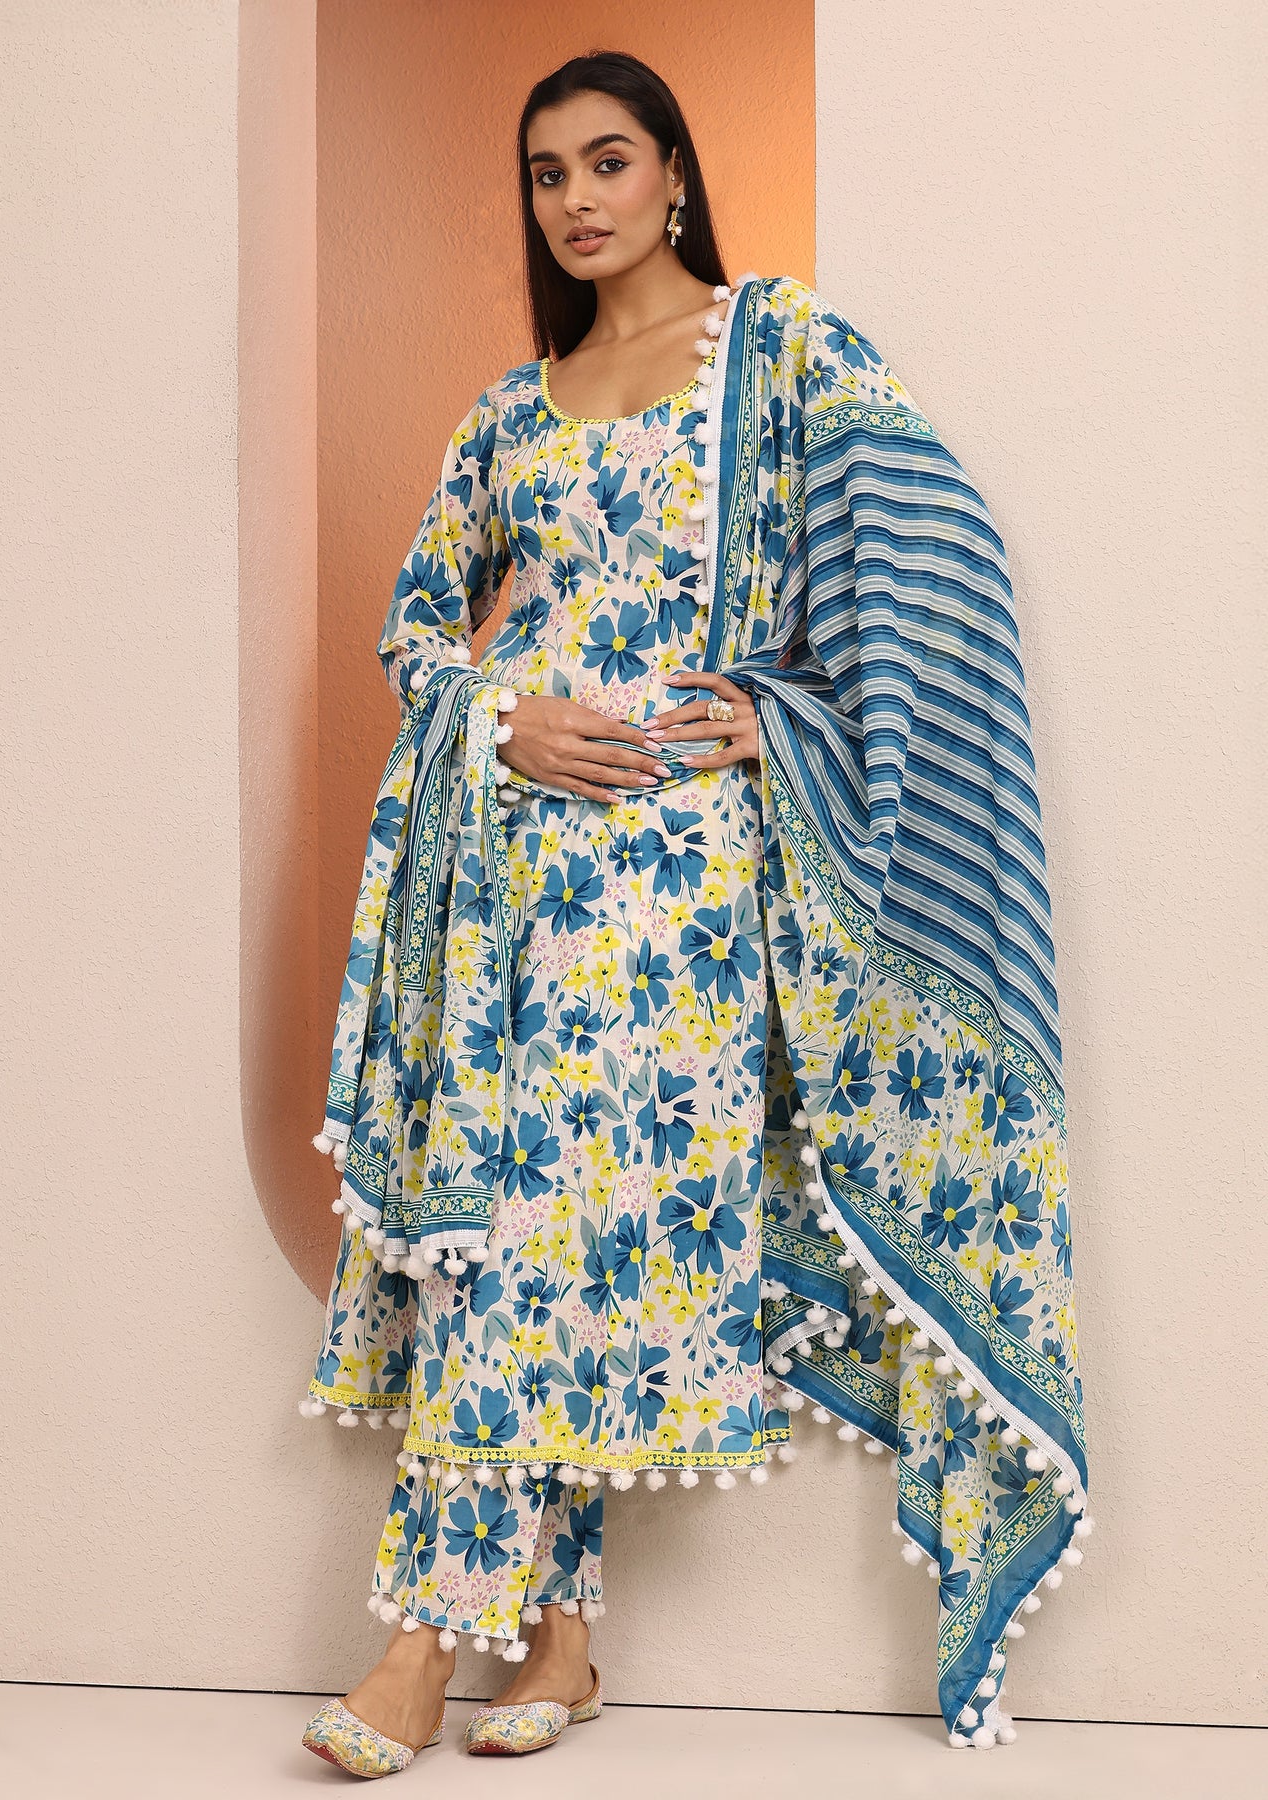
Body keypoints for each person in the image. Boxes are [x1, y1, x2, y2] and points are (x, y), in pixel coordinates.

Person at [298, 49, 1090, 1780]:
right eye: (545, 174)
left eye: (607, 161)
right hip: (506, 877)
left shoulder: (781, 350)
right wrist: (500, 716)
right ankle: (559, 1647)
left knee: (549, 1239)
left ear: (673, 174)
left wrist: (785, 713)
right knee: (518, 1236)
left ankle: (421, 1646)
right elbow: (414, 630)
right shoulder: (509, 414)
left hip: (681, 890)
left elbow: (931, 547)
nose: (575, 200)